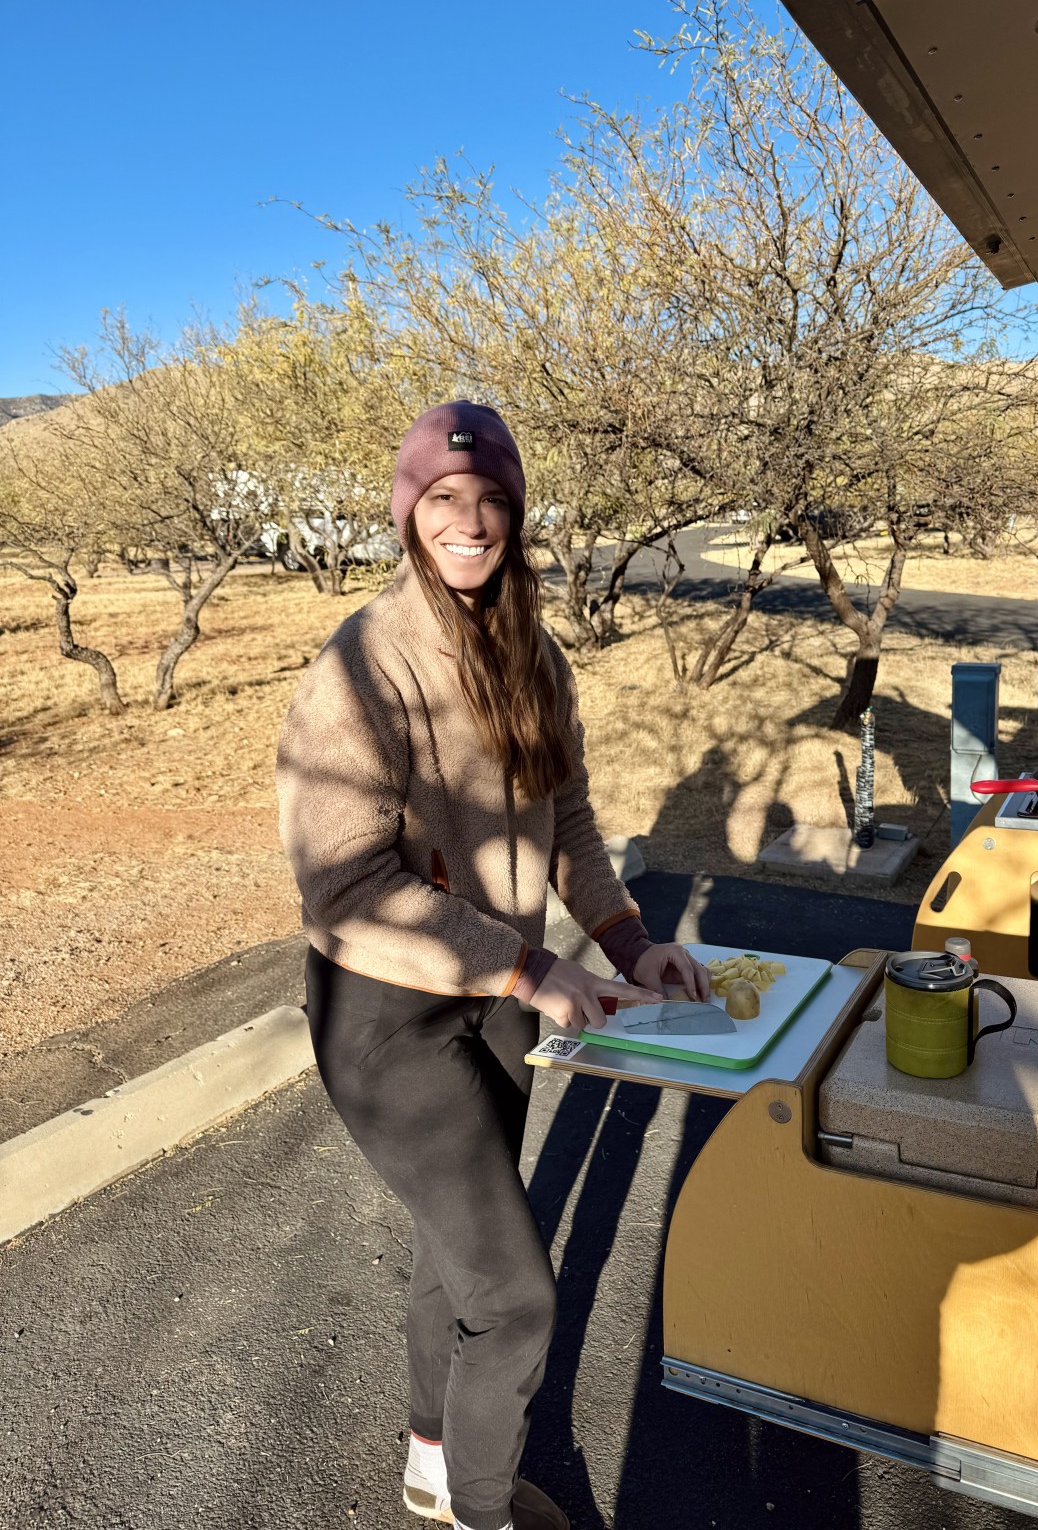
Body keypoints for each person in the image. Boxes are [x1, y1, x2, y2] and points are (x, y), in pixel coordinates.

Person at [275, 401, 710, 1530]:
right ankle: (480, 1508)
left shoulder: (532, 651)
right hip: (385, 1021)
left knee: (456, 1259)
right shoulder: (360, 669)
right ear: (409, 514)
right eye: (444, 499)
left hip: (495, 1007)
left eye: (492, 501)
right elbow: (347, 886)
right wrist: (523, 965)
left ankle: (432, 1459)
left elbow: (566, 824)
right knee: (516, 1298)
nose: (470, 522)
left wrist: (626, 940)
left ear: (516, 513)